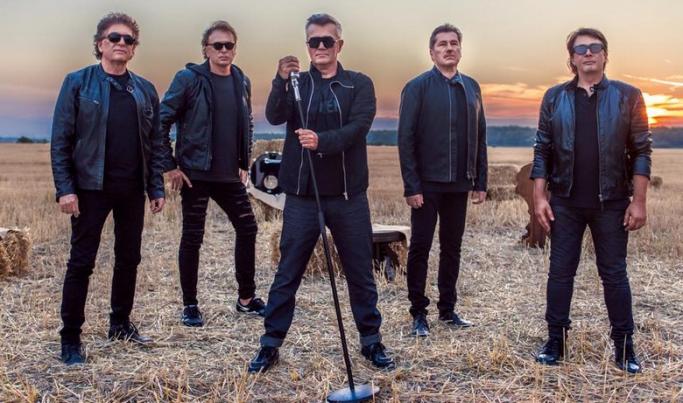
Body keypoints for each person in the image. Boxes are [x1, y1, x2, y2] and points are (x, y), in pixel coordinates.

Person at [248, 13, 394, 373]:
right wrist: (280, 80)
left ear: (339, 45)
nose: (321, 47)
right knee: (287, 273)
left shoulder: (359, 84)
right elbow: (275, 115)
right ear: (307, 46)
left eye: (328, 40)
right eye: (314, 41)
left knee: (360, 272)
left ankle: (371, 341)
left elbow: (358, 128)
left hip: (347, 196)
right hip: (303, 196)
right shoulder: (297, 83)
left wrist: (321, 142)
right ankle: (270, 345)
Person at [531, 27, 652, 374]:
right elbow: (542, 149)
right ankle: (555, 341)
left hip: (612, 202)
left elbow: (641, 151)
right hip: (565, 202)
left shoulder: (628, 96)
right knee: (560, 273)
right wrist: (540, 197)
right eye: (581, 49)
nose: (588, 53)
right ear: (571, 58)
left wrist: (638, 201)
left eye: (595, 47)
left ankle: (625, 347)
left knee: (614, 275)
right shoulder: (554, 97)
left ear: (605, 55)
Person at [51, 12, 169, 365]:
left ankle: (120, 324)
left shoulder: (144, 90)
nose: (121, 43)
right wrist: (65, 188)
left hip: (131, 189)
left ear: (133, 48)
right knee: (81, 262)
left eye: (128, 39)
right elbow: (61, 139)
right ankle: (70, 337)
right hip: (90, 187)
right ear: (100, 44)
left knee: (129, 259)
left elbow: (155, 143)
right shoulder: (78, 82)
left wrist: (156, 187)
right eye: (114, 37)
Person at [159, 21, 264, 327]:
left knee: (248, 228)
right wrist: (169, 165)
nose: (223, 50)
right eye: (217, 45)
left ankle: (246, 299)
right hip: (196, 173)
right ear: (205, 49)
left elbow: (247, 122)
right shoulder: (189, 79)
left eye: (229, 45)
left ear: (235, 49)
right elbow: (161, 121)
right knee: (193, 237)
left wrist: (244, 160)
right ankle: (190, 305)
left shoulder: (241, 80)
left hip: (229, 175)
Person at [398, 24, 487, 338]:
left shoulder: (472, 87)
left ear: (460, 49)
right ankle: (418, 313)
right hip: (426, 184)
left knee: (452, 248)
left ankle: (448, 310)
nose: (449, 48)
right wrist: (412, 185)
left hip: (459, 184)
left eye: (453, 43)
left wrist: (480, 181)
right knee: (421, 248)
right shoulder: (417, 87)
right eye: (442, 44)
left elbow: (480, 136)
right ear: (432, 52)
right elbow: (405, 139)